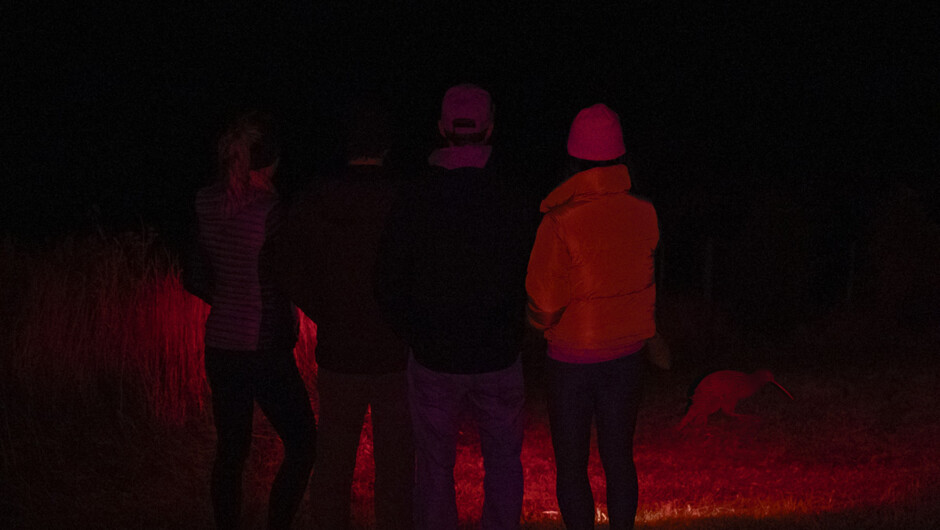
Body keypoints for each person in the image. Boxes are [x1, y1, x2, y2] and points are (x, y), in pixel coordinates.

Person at [375, 84, 531, 530]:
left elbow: (387, 281)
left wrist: (418, 332)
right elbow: (534, 276)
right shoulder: (513, 197)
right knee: (502, 461)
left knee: (435, 464)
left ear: (442, 129)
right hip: (498, 355)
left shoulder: (415, 196)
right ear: (490, 128)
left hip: (435, 359)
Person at [277, 101, 414, 530]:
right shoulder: (402, 198)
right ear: (387, 147)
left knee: (333, 465)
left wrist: (324, 311)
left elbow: (285, 263)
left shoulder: (316, 199)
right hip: (394, 353)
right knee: (395, 468)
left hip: (339, 352)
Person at [525, 104, 659, 530]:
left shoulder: (559, 220)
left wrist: (535, 322)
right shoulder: (644, 212)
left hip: (572, 360)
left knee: (572, 463)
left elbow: (545, 305)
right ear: (620, 154)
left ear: (572, 155)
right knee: (619, 456)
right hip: (627, 355)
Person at [183, 111, 317, 530]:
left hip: (220, 345)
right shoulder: (270, 210)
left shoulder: (204, 202)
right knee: (303, 443)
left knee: (231, 450)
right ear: (269, 162)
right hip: (263, 348)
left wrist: (225, 298)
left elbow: (195, 274)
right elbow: (287, 278)